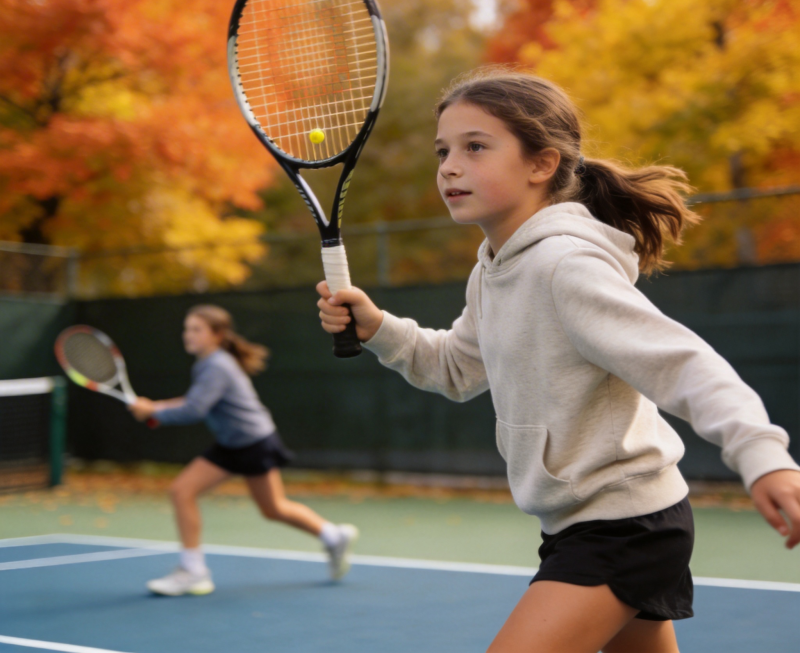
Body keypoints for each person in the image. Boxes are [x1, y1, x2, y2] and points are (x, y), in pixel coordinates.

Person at [316, 68, 800, 653]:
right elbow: (457, 368)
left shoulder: (564, 268)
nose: (448, 166)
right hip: (584, 524)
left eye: (475, 147)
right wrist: (378, 327)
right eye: (443, 150)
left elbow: (683, 363)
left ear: (541, 164)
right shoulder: (493, 269)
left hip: (624, 527)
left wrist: (763, 455)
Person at [129, 304, 358, 596]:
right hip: (235, 442)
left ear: (217, 334)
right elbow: (193, 399)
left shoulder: (217, 365)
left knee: (271, 508)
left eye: (196, 329)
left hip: (253, 442)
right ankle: (333, 536)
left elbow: (195, 409)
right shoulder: (209, 362)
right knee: (187, 492)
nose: (188, 335)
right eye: (187, 329)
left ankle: (193, 572)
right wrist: (155, 408)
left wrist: (154, 412)